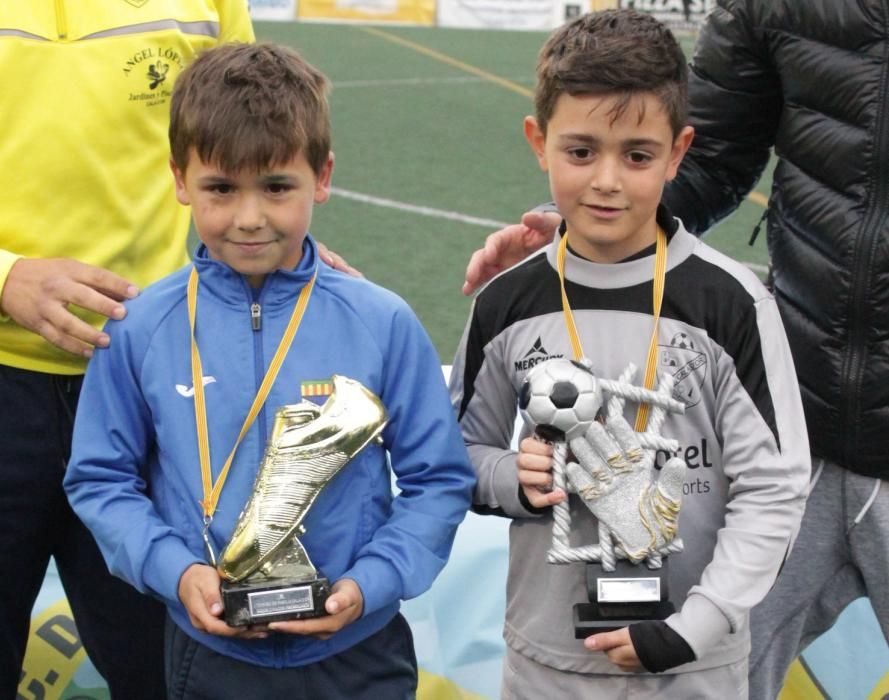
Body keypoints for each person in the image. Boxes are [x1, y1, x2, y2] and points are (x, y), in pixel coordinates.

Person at [463, 1, 889, 697]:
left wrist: (695, 627)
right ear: (538, 142)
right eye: (578, 153)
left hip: (723, 592)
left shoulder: (730, 308)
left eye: (634, 157)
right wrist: (513, 478)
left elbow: (767, 488)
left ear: (669, 150)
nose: (605, 176)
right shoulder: (512, 302)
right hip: (800, 417)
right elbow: (705, 152)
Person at [63, 42, 475, 699]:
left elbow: (438, 480)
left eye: (277, 188)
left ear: (323, 175)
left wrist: (368, 583)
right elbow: (101, 479)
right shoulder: (141, 328)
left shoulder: (383, 321)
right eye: (221, 189)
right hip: (209, 654)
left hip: (358, 651)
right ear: (178, 178)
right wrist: (177, 573)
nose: (249, 218)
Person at [0, 3, 254, 698]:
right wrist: (0, 277)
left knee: (170, 672)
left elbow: (249, 149)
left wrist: (286, 263)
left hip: (154, 390)